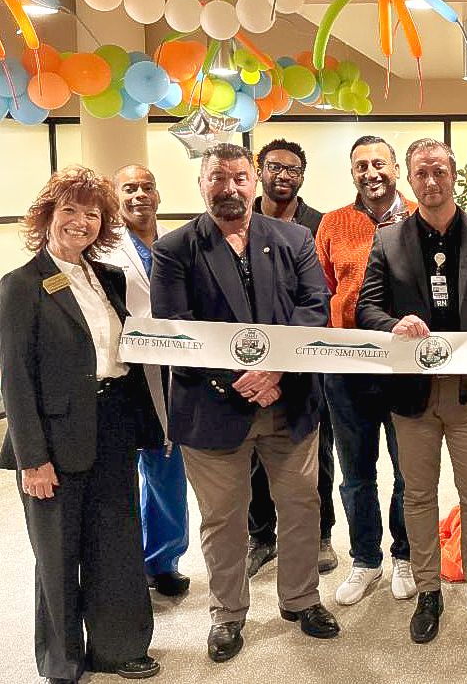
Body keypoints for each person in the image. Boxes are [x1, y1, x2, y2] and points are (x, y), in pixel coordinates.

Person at [151, 143, 339, 663]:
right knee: (222, 519)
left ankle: (301, 600)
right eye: (218, 178)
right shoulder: (175, 248)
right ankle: (227, 615)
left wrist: (275, 368)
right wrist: (242, 378)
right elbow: (176, 328)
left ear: (253, 182)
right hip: (212, 405)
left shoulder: (296, 237)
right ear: (202, 183)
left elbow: (313, 308)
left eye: (238, 177)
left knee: (302, 507)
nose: (229, 188)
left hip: (290, 400)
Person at [357, 137, 467, 644]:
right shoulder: (387, 241)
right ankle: (428, 591)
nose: (431, 182)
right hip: (413, 397)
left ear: (454, 176)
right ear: (409, 179)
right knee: (419, 497)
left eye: (439, 172)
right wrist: (393, 323)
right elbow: (366, 309)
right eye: (421, 173)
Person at [0, 166, 163, 682]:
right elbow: (15, 380)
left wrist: (150, 428)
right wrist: (31, 458)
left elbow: (129, 357)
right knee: (57, 553)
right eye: (69, 210)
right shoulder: (20, 286)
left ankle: (118, 649)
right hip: (53, 439)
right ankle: (62, 660)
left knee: (116, 543)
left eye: (92, 213)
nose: (81, 222)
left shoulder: (109, 277)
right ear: (47, 216)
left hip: (113, 424)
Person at [315, 135, 417, 606]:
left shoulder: (420, 216)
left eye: (379, 164)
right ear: (351, 172)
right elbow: (324, 292)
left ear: (396, 168)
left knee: (407, 470)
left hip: (404, 368)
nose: (370, 172)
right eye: (361, 166)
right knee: (355, 472)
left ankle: (405, 554)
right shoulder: (334, 223)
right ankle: (365, 559)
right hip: (346, 368)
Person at [247, 138, 336, 578]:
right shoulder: (239, 221)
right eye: (276, 167)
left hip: (307, 360)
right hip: (248, 363)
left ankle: (320, 534)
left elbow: (320, 294)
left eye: (293, 169)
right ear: (259, 169)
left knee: (315, 452)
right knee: (251, 455)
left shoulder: (319, 224)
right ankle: (261, 536)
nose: (284, 175)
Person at [104, 165, 191, 600]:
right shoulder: (105, 249)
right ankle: (131, 562)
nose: (140, 195)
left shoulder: (176, 244)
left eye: (147, 187)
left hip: (182, 362)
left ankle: (163, 559)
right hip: (132, 370)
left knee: (169, 466)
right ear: (116, 196)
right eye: (130, 188)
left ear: (158, 195)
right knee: (151, 462)